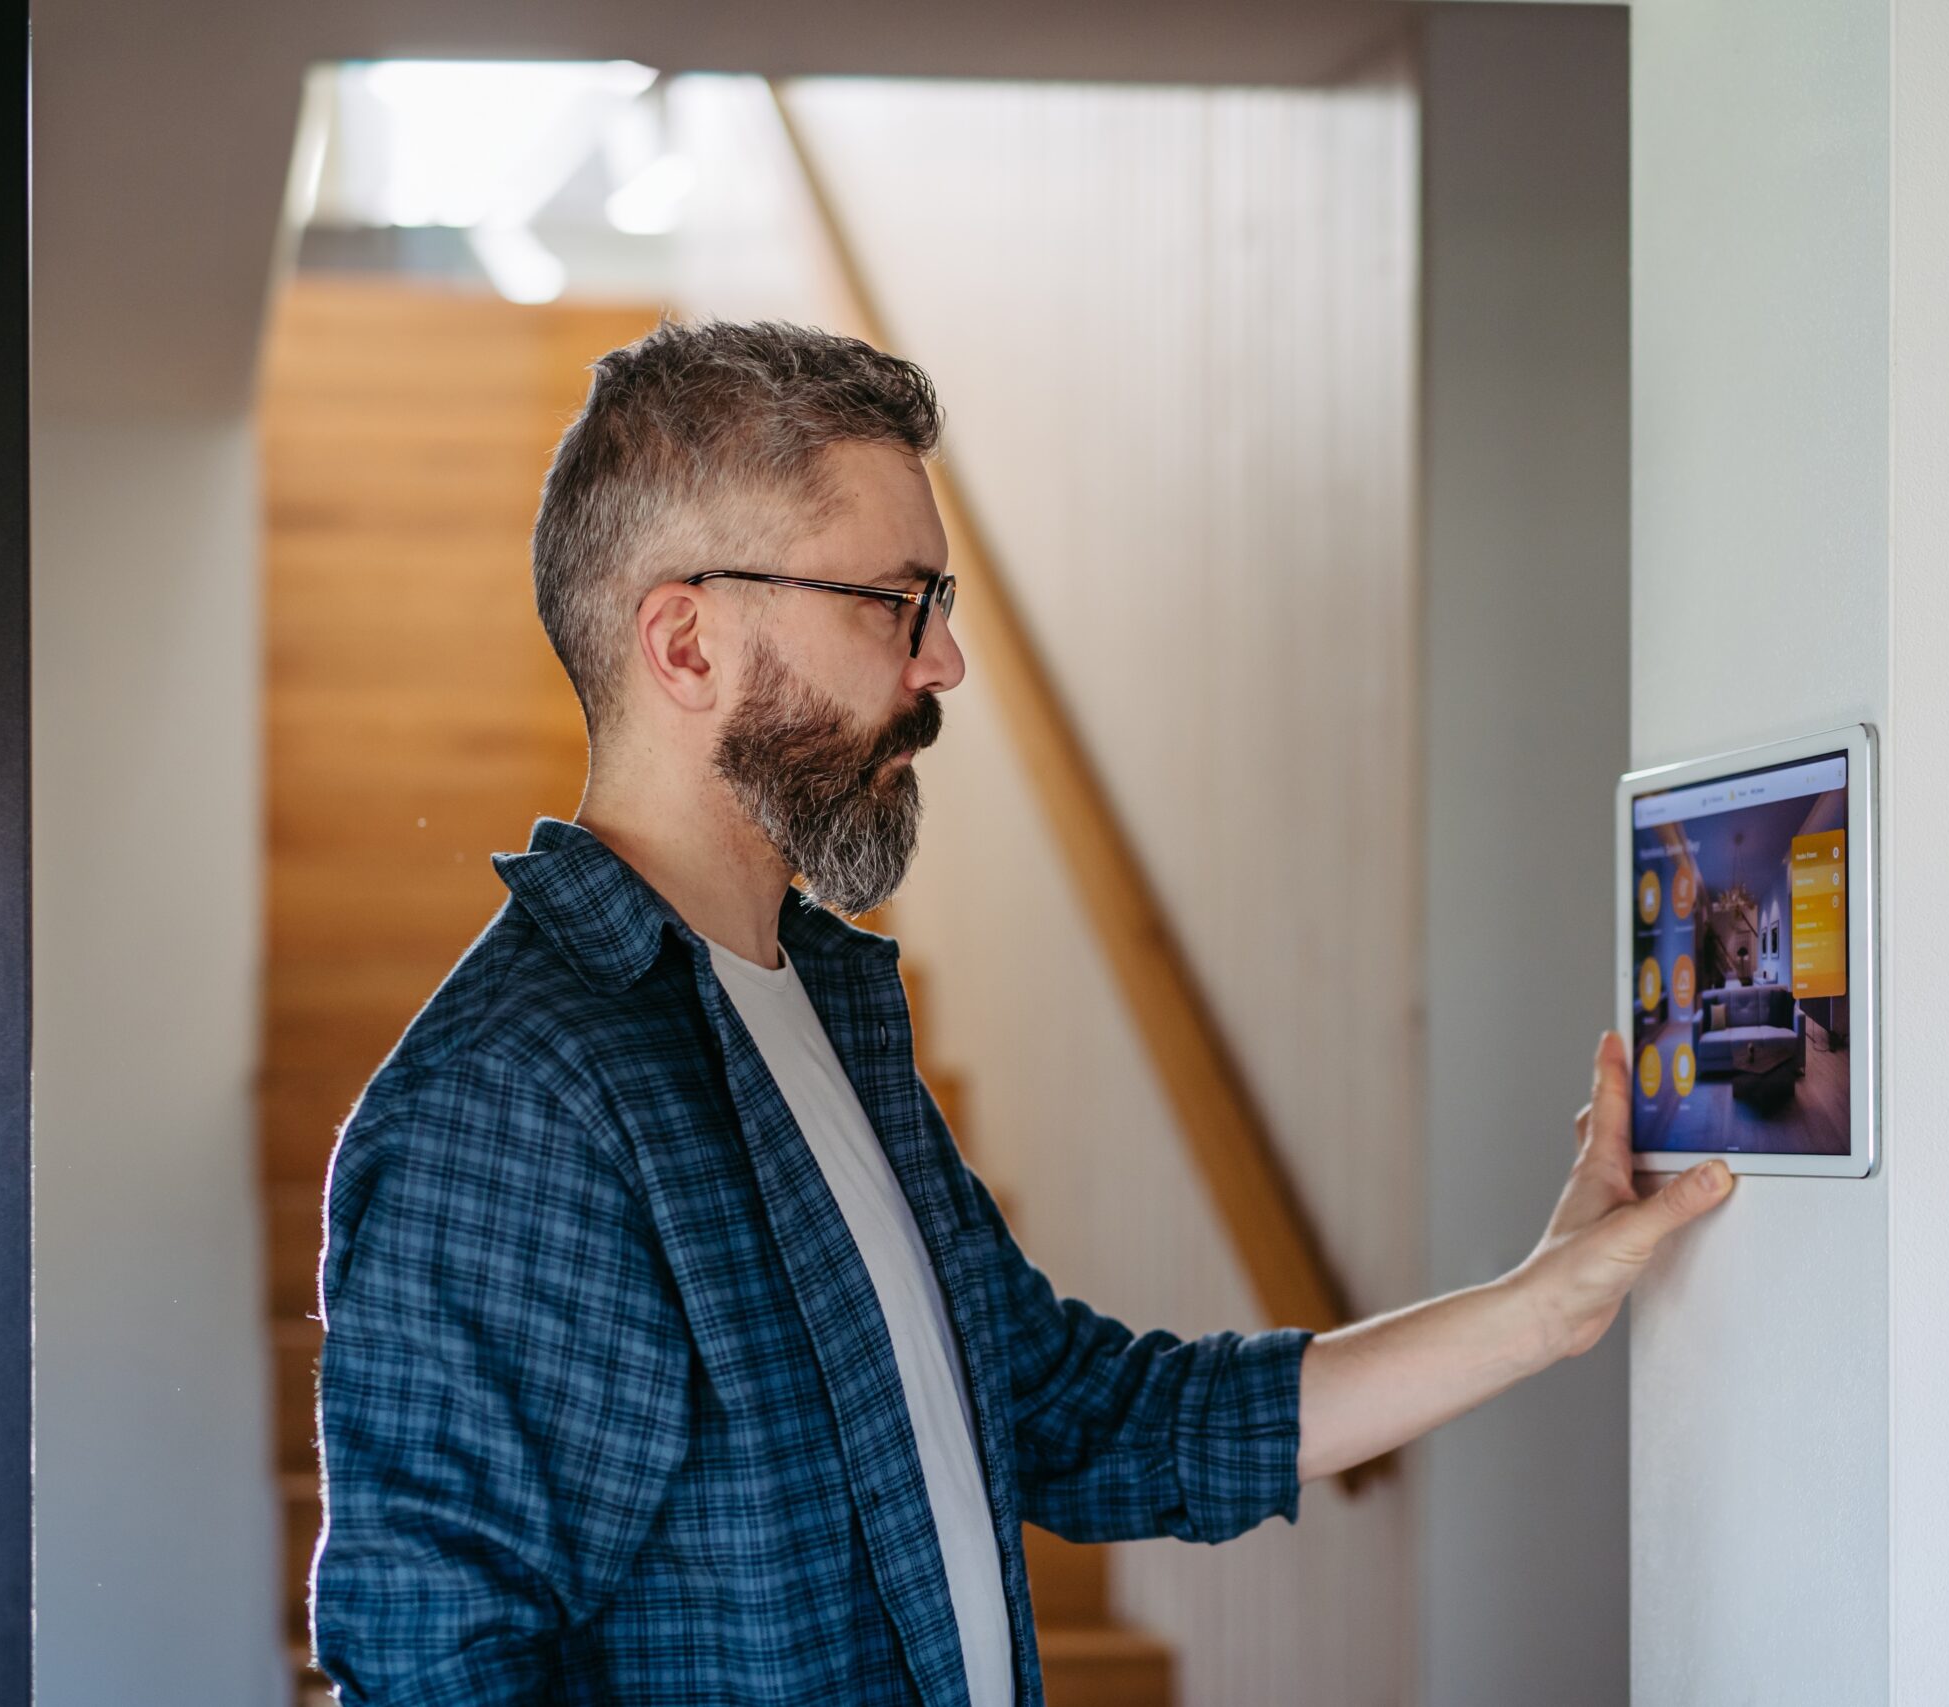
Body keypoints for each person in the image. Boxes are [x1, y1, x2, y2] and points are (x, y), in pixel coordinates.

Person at [309, 320, 1733, 1705]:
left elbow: (1085, 1418)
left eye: (939, 607)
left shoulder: (830, 1016)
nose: (943, 665)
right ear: (683, 645)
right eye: (893, 604)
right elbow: (437, 1667)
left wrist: (1541, 1311)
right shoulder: (517, 1098)